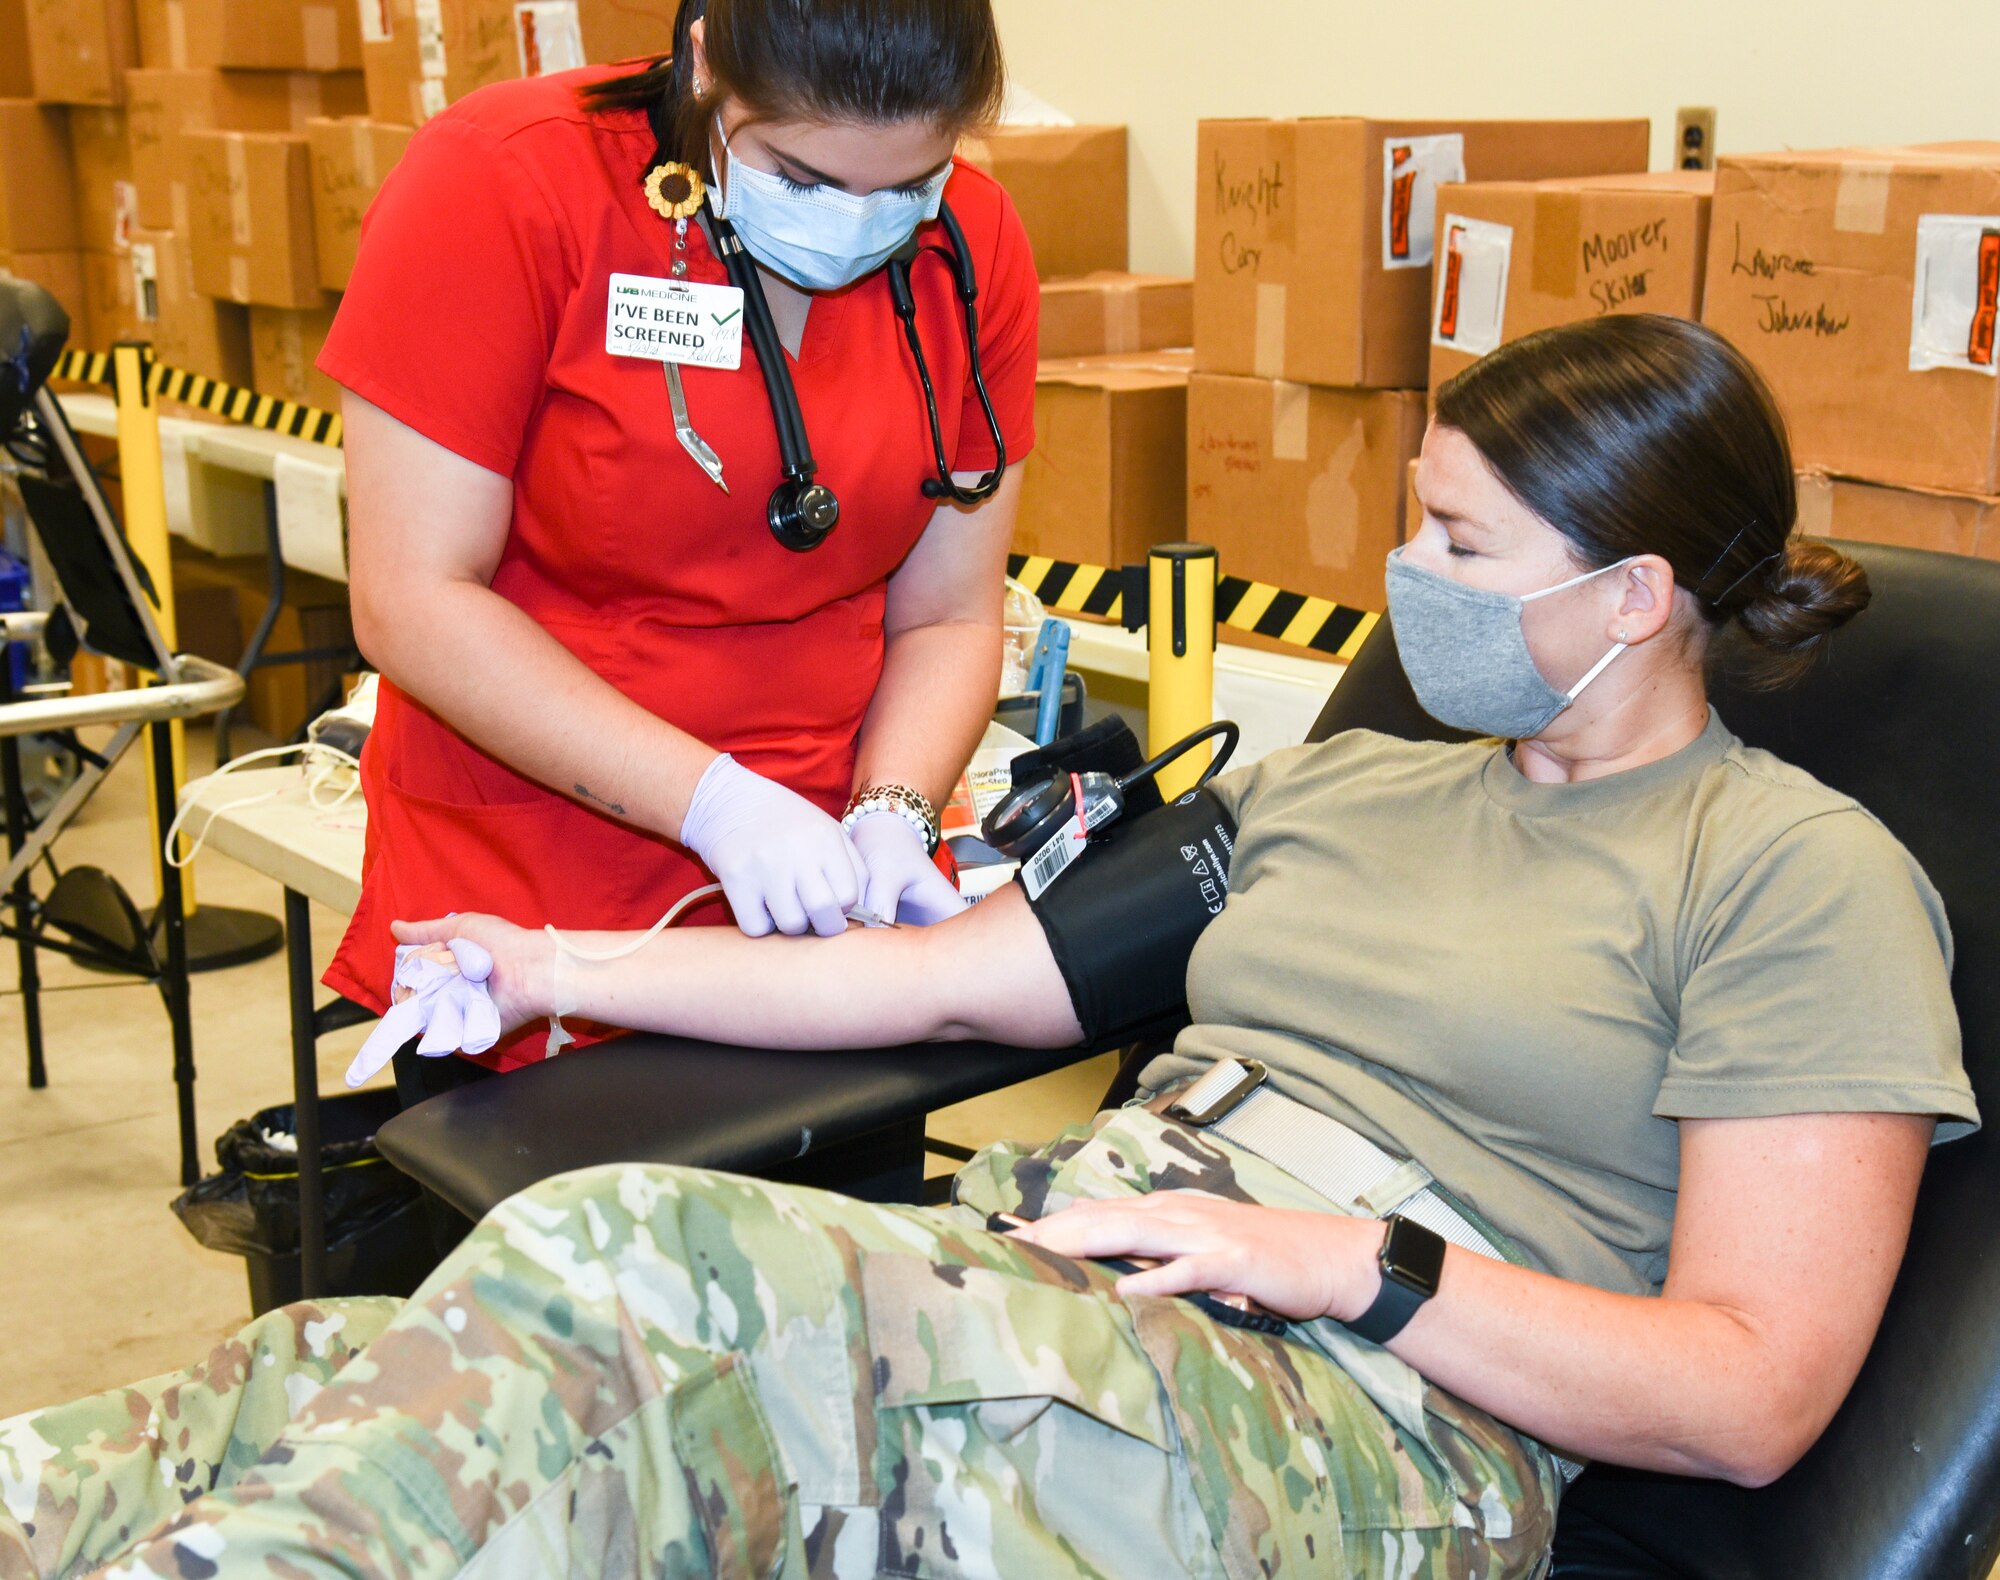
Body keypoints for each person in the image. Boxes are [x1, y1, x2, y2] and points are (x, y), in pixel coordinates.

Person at [3, 317, 1975, 1579]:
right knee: (359, 1366)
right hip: (1077, 1286)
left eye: (1460, 544)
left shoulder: (1792, 877)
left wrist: (1341, 1261)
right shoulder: (1348, 788)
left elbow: (1748, 1391)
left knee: (631, 1267)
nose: (1407, 581)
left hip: (1377, 1425)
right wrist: (550, 966)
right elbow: (941, 974)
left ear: (1632, 595)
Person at [322, 0, 1038, 1085]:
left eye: (906, 187)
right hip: (532, 871)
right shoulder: (503, 182)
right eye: (799, 177)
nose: (856, 221)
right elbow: (412, 595)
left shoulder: (971, 244)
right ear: (703, 62)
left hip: (825, 896)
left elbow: (947, 610)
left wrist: (892, 809)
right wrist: (714, 802)